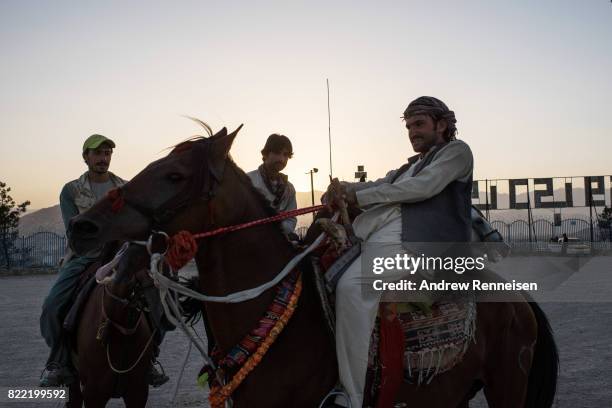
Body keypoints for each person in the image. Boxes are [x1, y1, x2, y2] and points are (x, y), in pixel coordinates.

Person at [326, 96, 474, 407]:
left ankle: (350, 397)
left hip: (423, 245)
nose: (412, 132)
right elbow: (380, 183)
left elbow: (422, 189)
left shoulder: (457, 153)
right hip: (384, 237)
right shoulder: (409, 166)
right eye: (408, 127)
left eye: (419, 124)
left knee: (352, 288)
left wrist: (359, 196)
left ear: (442, 124)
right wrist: (346, 189)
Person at [39, 134, 168, 387]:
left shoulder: (124, 187)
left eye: (107, 153)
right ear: (86, 156)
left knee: (160, 303)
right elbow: (74, 232)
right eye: (97, 153)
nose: (103, 158)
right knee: (52, 307)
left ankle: (150, 358)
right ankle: (59, 361)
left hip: (123, 256)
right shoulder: (72, 190)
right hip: (84, 259)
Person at [247, 133, 298, 238]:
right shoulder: (247, 181)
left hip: (280, 241)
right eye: (277, 153)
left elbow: (291, 218)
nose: (282, 159)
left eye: (285, 155)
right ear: (265, 154)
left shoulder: (289, 189)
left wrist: (276, 228)